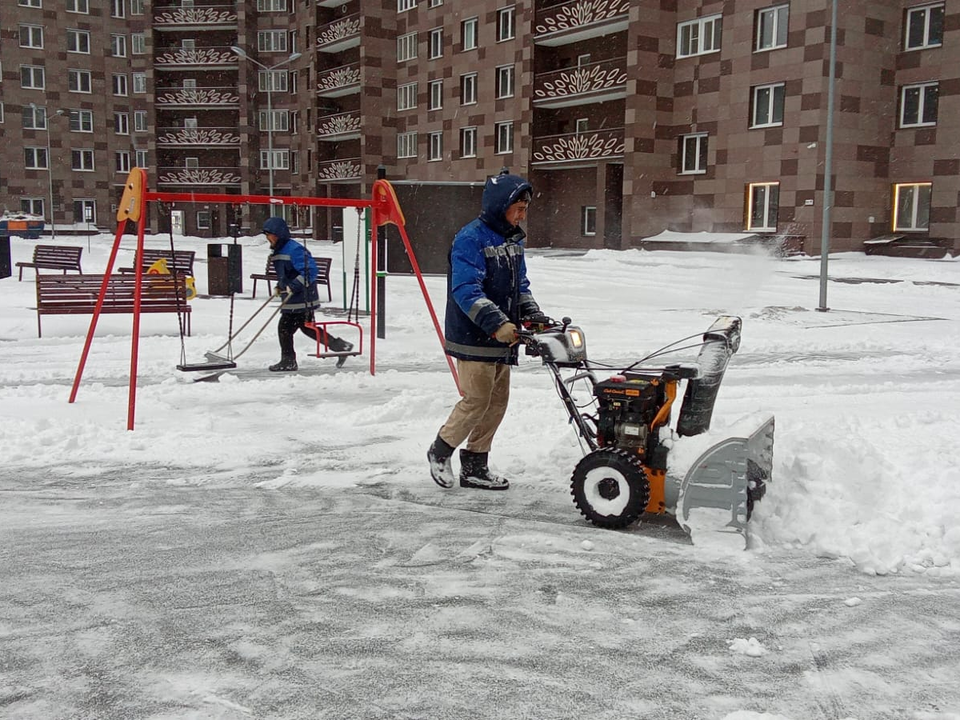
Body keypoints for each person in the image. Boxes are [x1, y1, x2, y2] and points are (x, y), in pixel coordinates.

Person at [426, 172, 552, 491]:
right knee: (477, 399)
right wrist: (497, 323)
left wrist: (533, 316)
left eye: (525, 209)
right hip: (474, 336)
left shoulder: (512, 242)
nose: (522, 215)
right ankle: (440, 451)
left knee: (497, 402)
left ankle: (475, 465)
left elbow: (519, 286)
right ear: (500, 206)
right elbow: (466, 289)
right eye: (517, 208)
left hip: (503, 338)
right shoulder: (471, 238)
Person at [262, 217, 353, 371]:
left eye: (270, 235)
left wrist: (294, 285)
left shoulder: (294, 249)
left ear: (278, 234)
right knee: (307, 327)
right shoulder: (279, 251)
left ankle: (289, 361)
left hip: (302, 298)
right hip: (293, 298)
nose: (268, 239)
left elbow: (310, 271)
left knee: (285, 328)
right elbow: (287, 273)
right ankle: (340, 346)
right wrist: (281, 286)